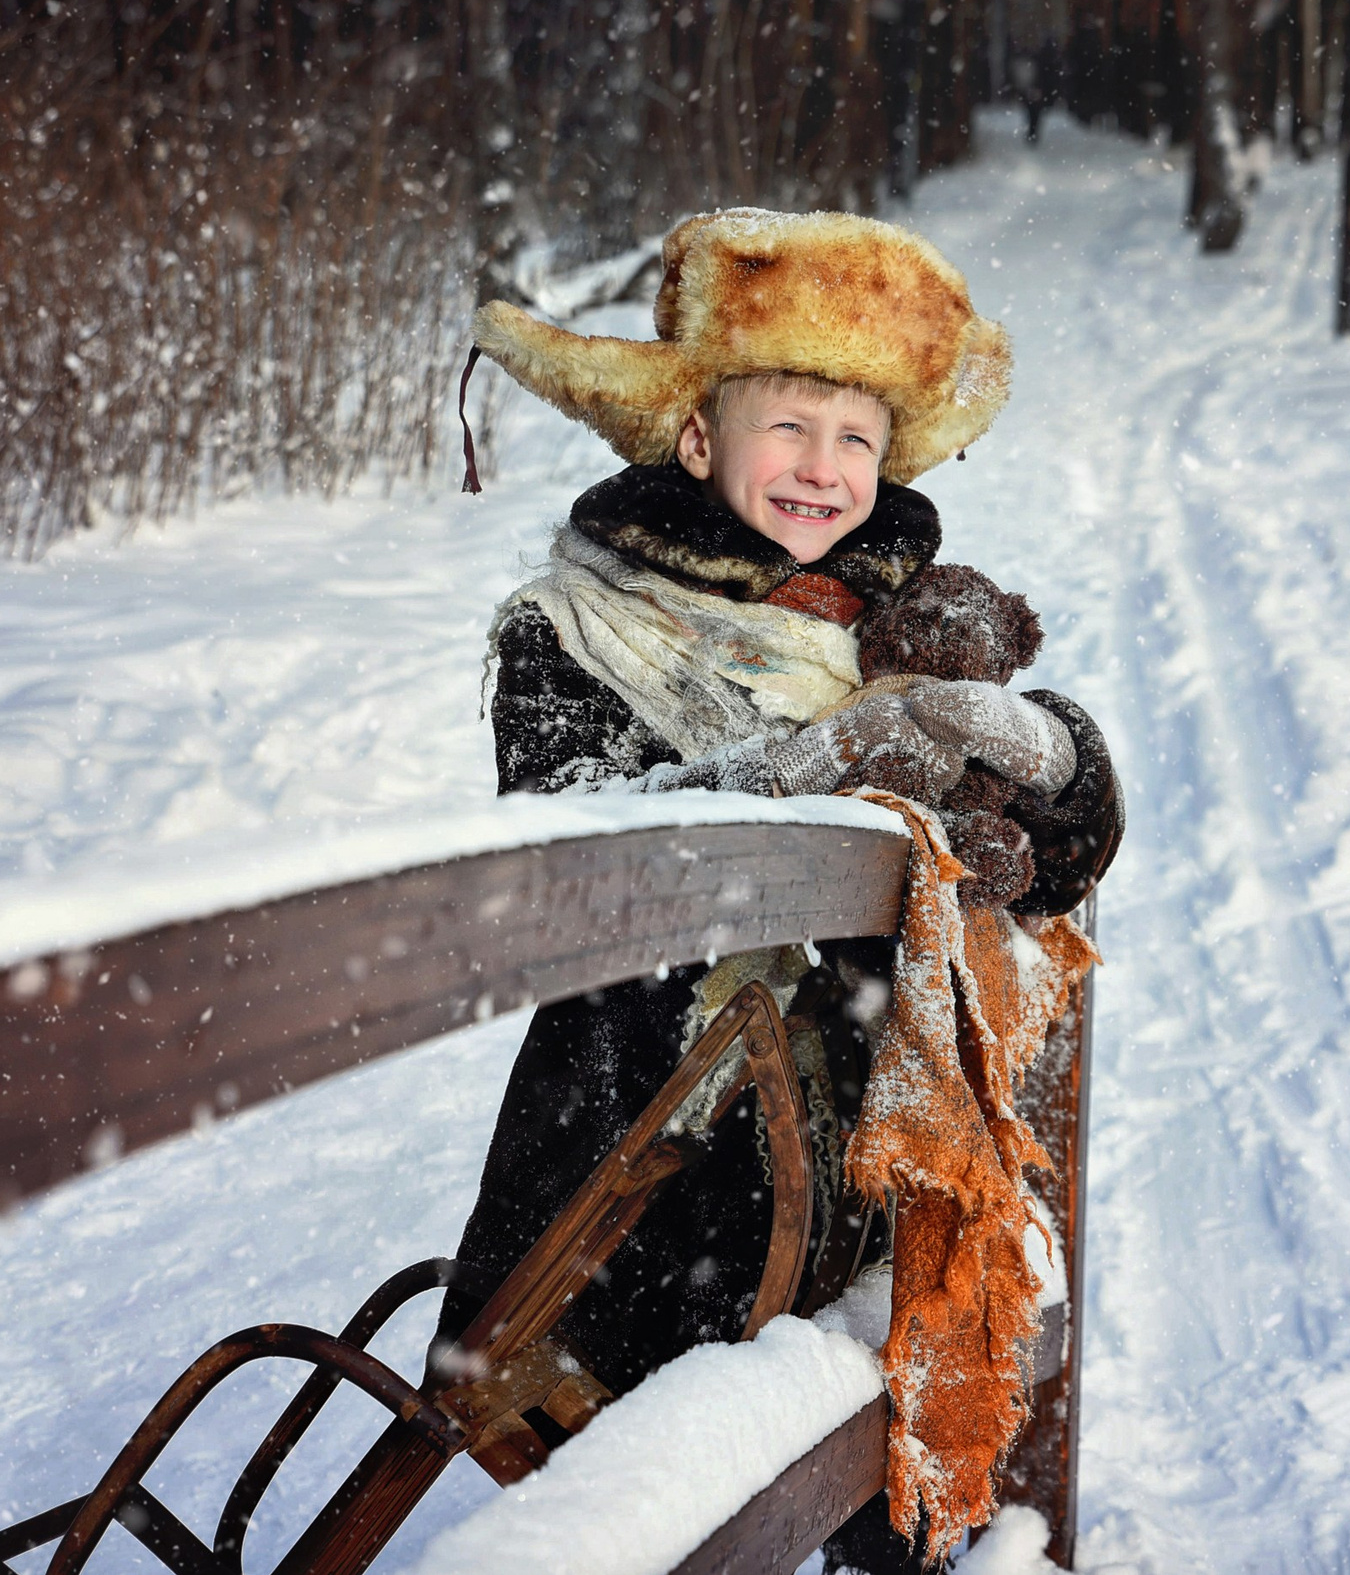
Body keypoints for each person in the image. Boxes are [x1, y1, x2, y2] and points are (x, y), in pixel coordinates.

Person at [441, 209, 1121, 1571]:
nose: (824, 469)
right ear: (699, 438)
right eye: (790, 427)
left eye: (858, 438)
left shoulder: (900, 626)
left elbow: (1070, 846)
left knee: (880, 1456)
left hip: (866, 1145)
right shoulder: (574, 624)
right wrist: (815, 768)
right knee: (673, 1484)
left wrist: (1047, 762)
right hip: (658, 1153)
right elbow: (581, 839)